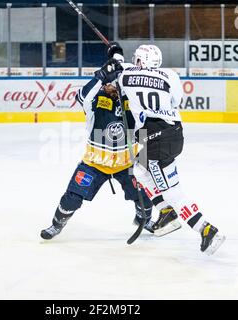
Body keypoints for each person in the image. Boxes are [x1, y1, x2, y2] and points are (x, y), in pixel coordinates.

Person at [40, 45, 181, 240]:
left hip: (126, 163)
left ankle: (144, 219)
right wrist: (100, 76)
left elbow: (138, 75)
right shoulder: (94, 102)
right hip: (95, 163)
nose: (111, 86)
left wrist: (119, 59)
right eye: (108, 83)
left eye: (114, 83)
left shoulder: (132, 102)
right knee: (72, 197)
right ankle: (57, 224)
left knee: (145, 195)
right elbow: (81, 96)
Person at [117, 44, 226, 255]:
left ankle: (206, 229)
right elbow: (176, 101)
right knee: (138, 169)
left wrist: (115, 54)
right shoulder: (170, 76)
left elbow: (120, 68)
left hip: (157, 140)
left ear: (139, 61)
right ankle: (166, 212)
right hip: (170, 133)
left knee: (172, 191)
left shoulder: (126, 77)